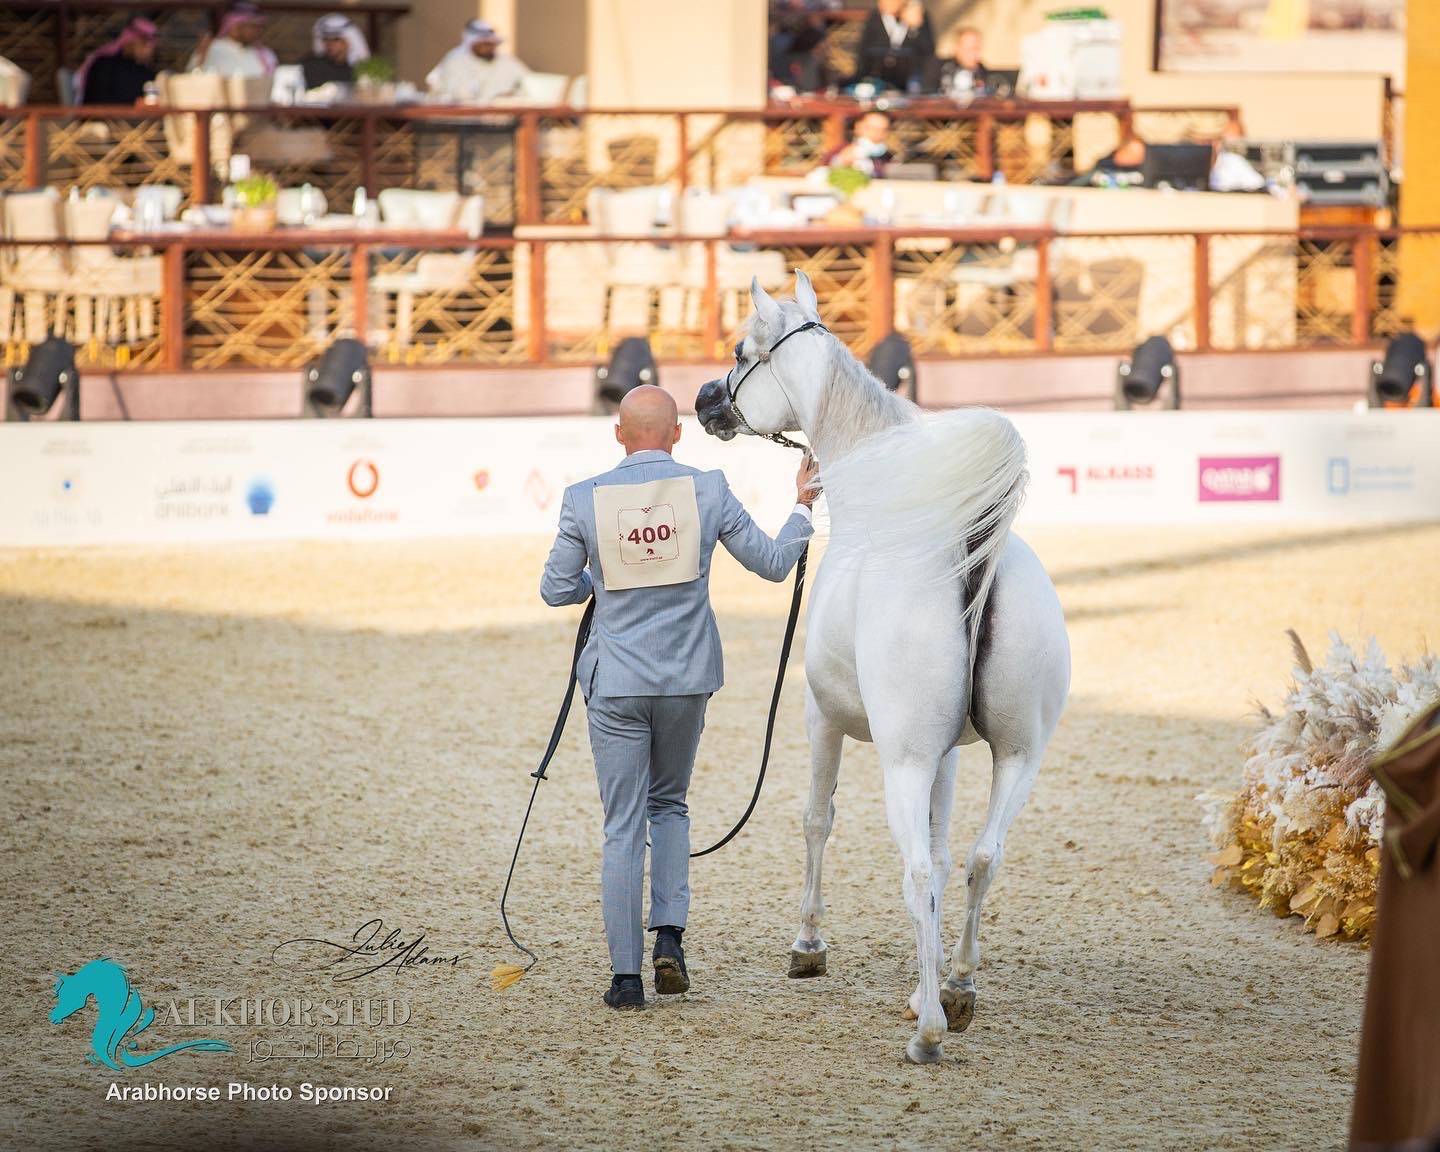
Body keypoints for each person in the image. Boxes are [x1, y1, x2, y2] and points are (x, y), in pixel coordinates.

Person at [540, 385, 816, 1010]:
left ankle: (626, 979)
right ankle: (669, 939)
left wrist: (604, 575)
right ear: (677, 435)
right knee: (669, 805)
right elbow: (774, 563)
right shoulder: (708, 488)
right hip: (687, 678)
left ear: (618, 434)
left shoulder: (584, 499)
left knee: (621, 826)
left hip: (617, 683)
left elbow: (557, 590)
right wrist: (801, 506)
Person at [425, 19, 529, 102]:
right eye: (484, 44)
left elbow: (529, 85)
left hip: (501, 121)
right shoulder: (455, 60)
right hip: (463, 121)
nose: (488, 48)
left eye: (491, 44)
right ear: (472, 44)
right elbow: (437, 89)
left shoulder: (507, 62)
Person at [76, 17, 159, 105]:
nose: (148, 50)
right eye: (144, 44)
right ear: (129, 40)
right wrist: (134, 104)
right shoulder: (103, 65)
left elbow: (151, 99)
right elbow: (97, 100)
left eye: (151, 46)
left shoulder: (146, 72)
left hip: (136, 118)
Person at [854, 0, 933, 91]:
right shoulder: (874, 18)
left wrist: (916, 28)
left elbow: (929, 53)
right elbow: (863, 54)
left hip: (911, 84)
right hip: (879, 82)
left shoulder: (918, 17)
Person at [189, 3, 277, 78]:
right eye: (253, 27)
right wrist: (201, 57)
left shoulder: (265, 54)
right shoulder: (211, 48)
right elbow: (194, 79)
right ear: (235, 27)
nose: (258, 31)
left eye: (260, 27)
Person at [300, 13, 369, 90]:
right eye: (326, 39)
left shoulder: (359, 70)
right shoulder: (311, 66)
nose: (329, 44)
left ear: (349, 41)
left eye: (336, 39)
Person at [824, 110, 893, 177]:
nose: (876, 134)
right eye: (871, 128)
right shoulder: (840, 150)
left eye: (883, 130)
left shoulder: (888, 157)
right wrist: (841, 161)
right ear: (858, 127)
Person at [938, 26, 989, 98]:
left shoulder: (983, 73)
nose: (976, 54)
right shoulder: (939, 70)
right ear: (957, 48)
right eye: (971, 49)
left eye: (978, 49)